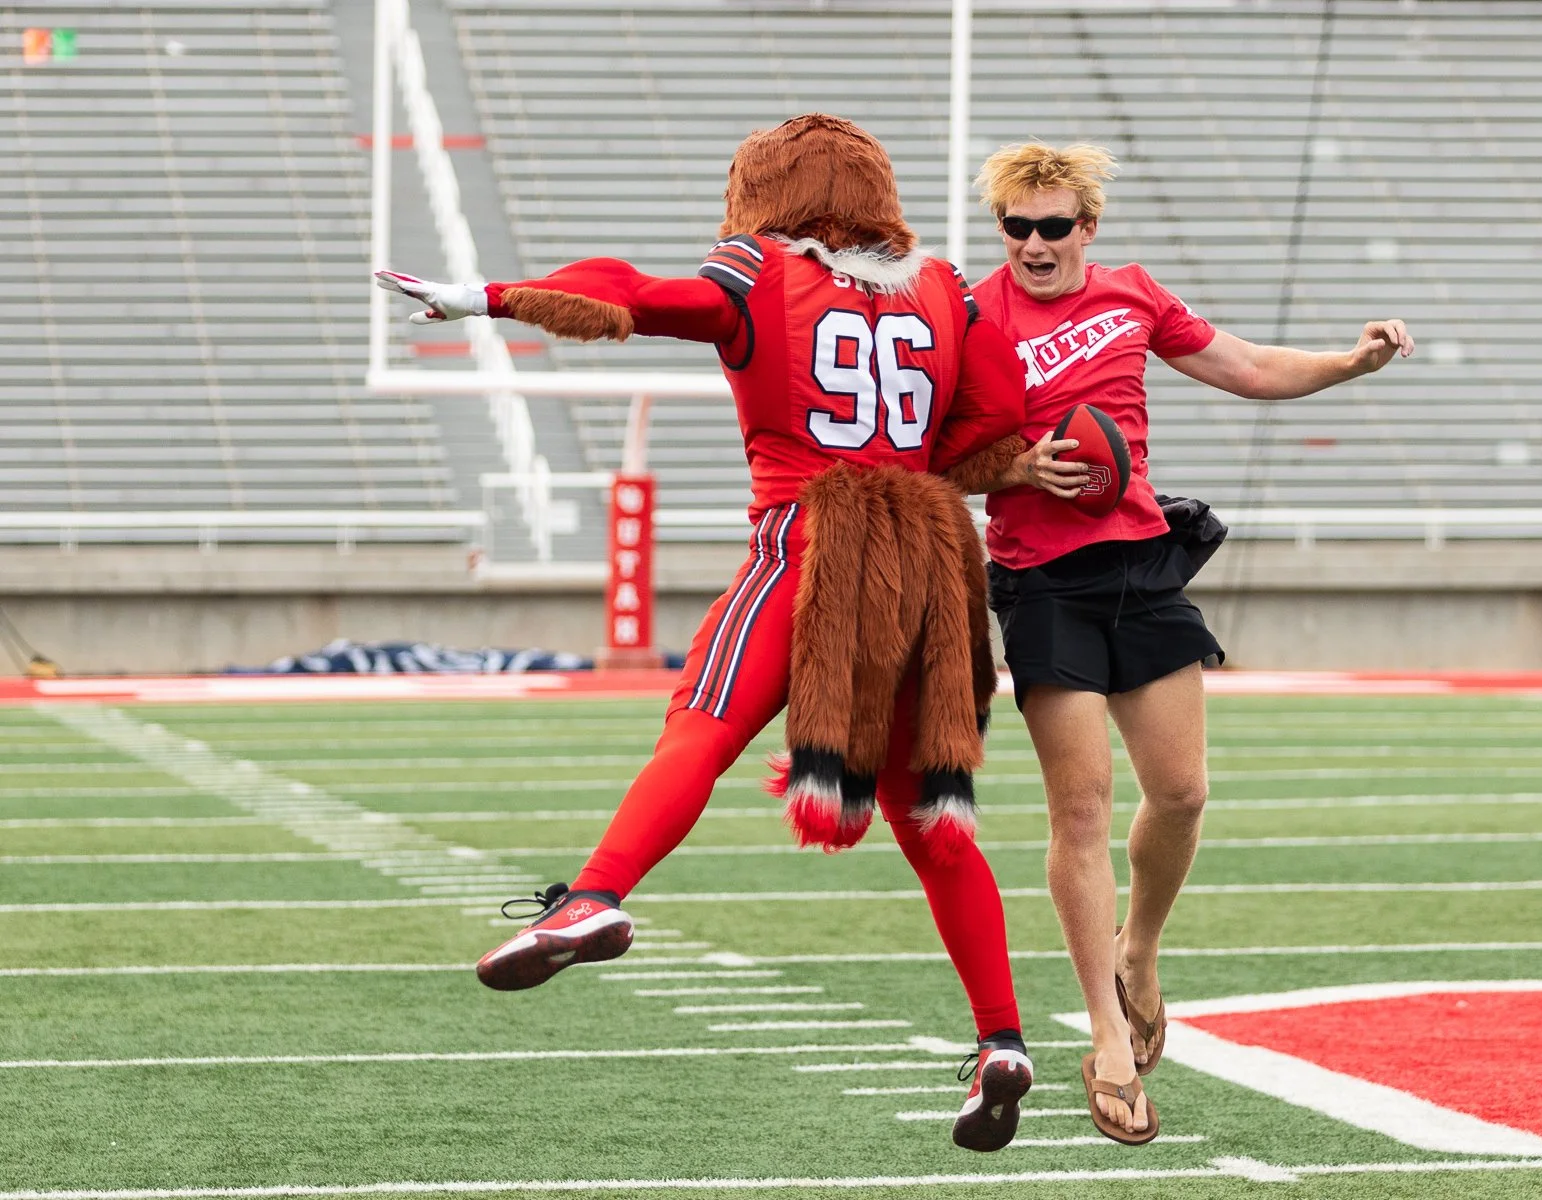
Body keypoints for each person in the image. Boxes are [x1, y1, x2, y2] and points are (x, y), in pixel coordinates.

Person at [377, 114, 1060, 1152]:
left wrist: (489, 296)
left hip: (809, 539)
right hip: (929, 560)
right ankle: (1001, 1036)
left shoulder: (761, 270)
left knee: (698, 726)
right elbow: (992, 427)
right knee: (933, 818)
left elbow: (638, 296)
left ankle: (594, 896)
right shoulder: (947, 290)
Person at [971, 142, 1413, 1144]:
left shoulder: (1131, 296)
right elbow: (926, 449)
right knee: (1079, 809)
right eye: (1016, 226)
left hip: (1141, 564)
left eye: (1052, 226)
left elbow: (1247, 365)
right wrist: (1013, 465)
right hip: (1040, 584)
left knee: (1182, 794)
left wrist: (1353, 361)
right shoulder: (970, 314)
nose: (1033, 245)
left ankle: (1142, 949)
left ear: (1088, 228)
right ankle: (1106, 1041)